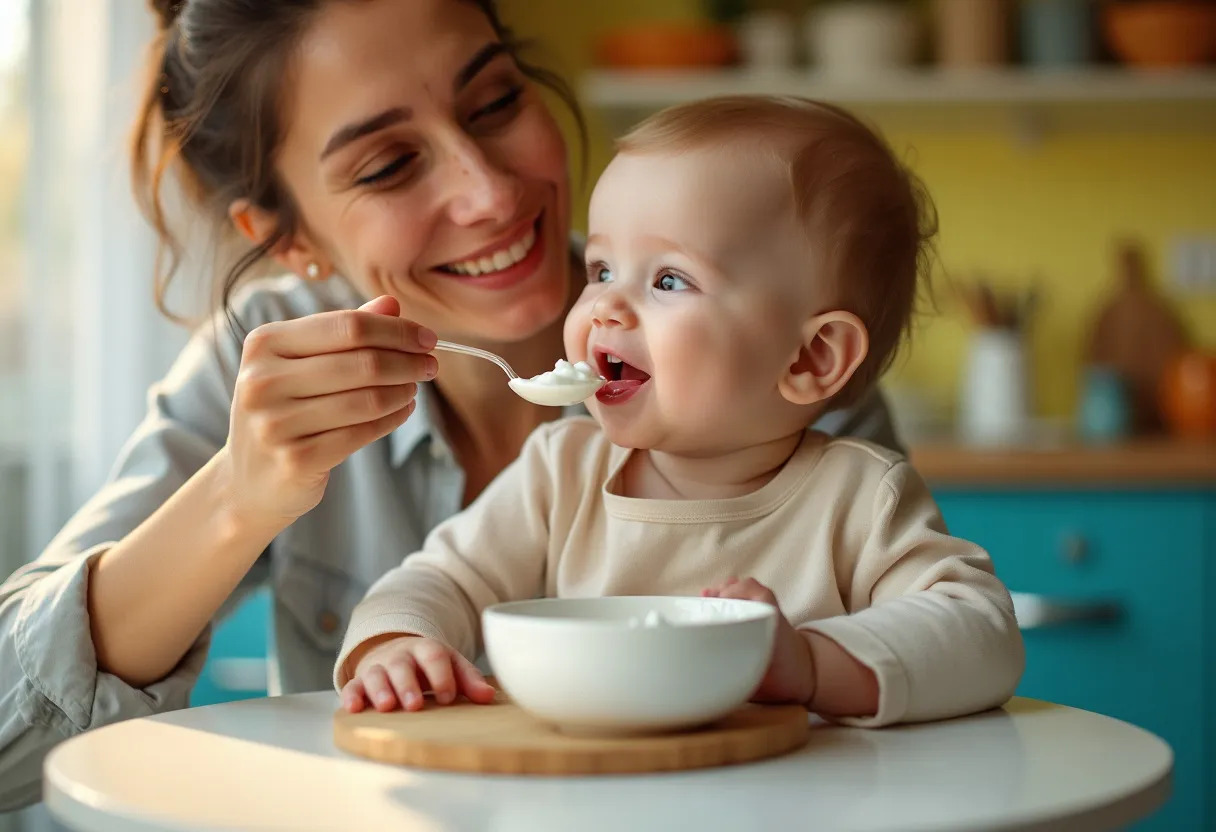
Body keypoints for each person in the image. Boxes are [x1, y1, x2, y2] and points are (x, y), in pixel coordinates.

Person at [0, 0, 902, 810]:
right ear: (289, 238)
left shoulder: (756, 339)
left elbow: (909, 705)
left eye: (496, 103)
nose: (491, 192)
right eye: (390, 164)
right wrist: (239, 496)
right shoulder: (259, 368)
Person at [335, 96, 1024, 725]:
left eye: (669, 279)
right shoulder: (559, 474)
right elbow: (438, 579)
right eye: (601, 269)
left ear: (811, 358)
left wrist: (810, 663)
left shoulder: (857, 499)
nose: (604, 304)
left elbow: (981, 633)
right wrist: (399, 642)